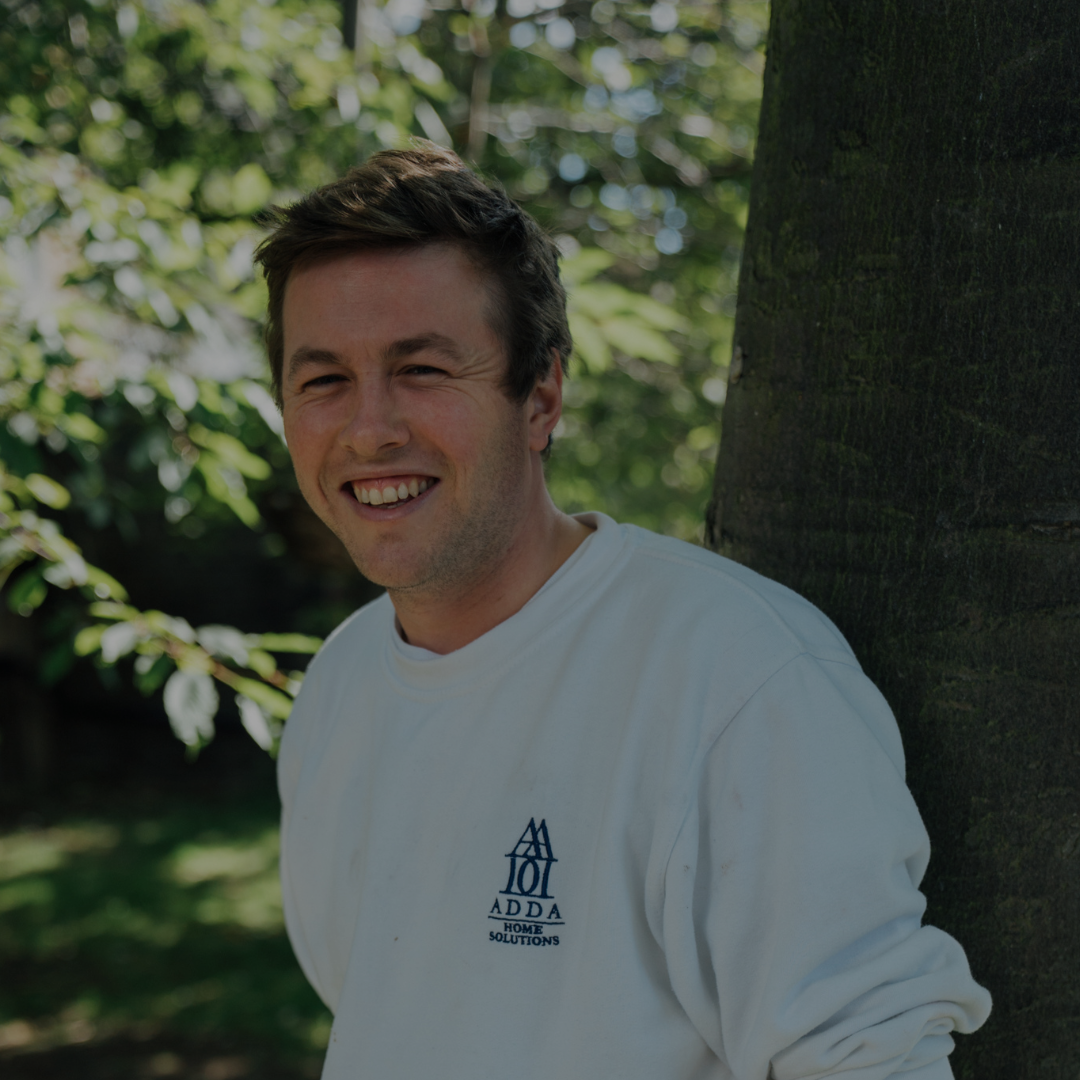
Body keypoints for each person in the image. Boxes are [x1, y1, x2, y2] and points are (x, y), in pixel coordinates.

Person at [255, 144, 991, 1080]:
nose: (370, 428)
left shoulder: (738, 680)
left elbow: (872, 1062)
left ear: (542, 396)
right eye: (322, 381)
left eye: (425, 369)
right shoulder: (340, 688)